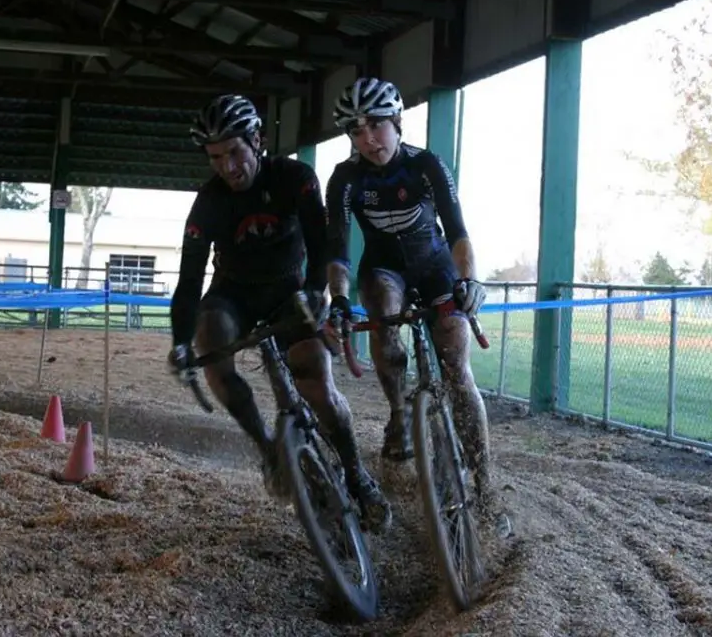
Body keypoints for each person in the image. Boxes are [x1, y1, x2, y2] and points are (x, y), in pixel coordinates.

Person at [167, 93, 391, 531]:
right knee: (208, 339)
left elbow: (321, 239)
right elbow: (190, 279)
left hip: (291, 288)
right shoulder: (209, 201)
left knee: (316, 381)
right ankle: (269, 450)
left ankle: (356, 474)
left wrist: (314, 291)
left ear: (257, 141)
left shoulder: (294, 177)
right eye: (215, 157)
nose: (227, 167)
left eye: (234, 152)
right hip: (232, 293)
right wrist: (179, 341)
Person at [323, 76, 510, 538]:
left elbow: (459, 231)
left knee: (458, 369)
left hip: (435, 265)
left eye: (376, 126)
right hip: (384, 269)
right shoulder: (345, 178)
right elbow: (338, 251)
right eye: (356, 130)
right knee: (383, 306)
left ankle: (485, 489)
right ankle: (399, 413)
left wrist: (469, 280)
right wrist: (341, 300)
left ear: (398, 122)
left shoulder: (427, 165)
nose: (368, 138)